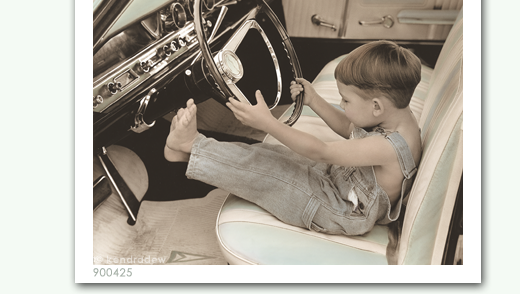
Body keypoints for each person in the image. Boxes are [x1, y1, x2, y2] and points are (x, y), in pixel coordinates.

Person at [164, 40, 422, 236]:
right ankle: (188, 152)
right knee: (268, 154)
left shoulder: (387, 146)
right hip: (341, 182)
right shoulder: (398, 116)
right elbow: (349, 127)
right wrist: (314, 100)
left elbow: (321, 151)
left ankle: (191, 145)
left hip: (339, 209)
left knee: (270, 173)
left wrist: (268, 123)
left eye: (346, 99)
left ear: (376, 106)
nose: (342, 104)